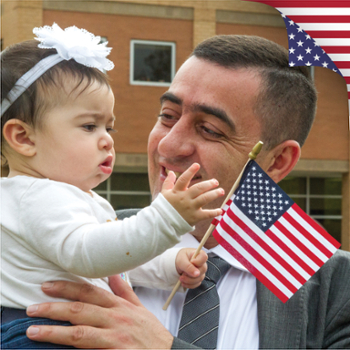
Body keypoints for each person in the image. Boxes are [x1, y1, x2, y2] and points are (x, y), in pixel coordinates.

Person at [23, 35, 350, 349]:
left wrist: (162, 347)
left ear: (277, 161)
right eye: (168, 116)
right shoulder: (74, 235)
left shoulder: (336, 289)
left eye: (209, 130)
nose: (168, 145)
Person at [0, 24, 227, 349]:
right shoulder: (32, 196)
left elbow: (115, 261)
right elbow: (90, 254)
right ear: (23, 138)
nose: (106, 140)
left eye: (109, 127)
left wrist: (169, 265)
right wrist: (166, 218)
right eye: (89, 126)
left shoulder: (72, 197)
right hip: (38, 333)